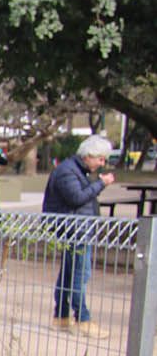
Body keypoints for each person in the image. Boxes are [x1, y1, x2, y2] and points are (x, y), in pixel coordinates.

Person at [42, 134, 115, 339]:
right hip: (74, 230)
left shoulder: (75, 170)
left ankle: (62, 316)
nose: (102, 164)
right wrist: (101, 184)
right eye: (100, 159)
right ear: (89, 155)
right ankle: (82, 318)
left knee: (69, 273)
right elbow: (77, 198)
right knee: (79, 275)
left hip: (78, 229)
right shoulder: (67, 172)